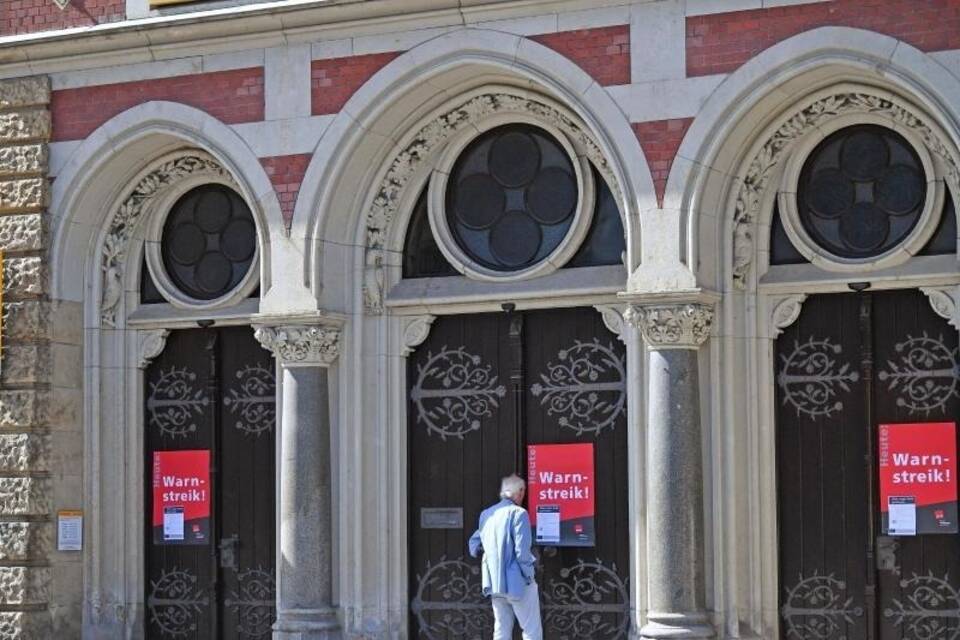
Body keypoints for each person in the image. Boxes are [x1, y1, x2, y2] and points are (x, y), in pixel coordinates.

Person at [468, 474, 543, 640]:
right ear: (520, 492)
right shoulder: (519, 514)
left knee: (501, 630)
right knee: (531, 630)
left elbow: (474, 544)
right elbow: (522, 552)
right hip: (518, 583)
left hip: (495, 583)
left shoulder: (486, 514)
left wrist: (491, 555)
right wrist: (530, 576)